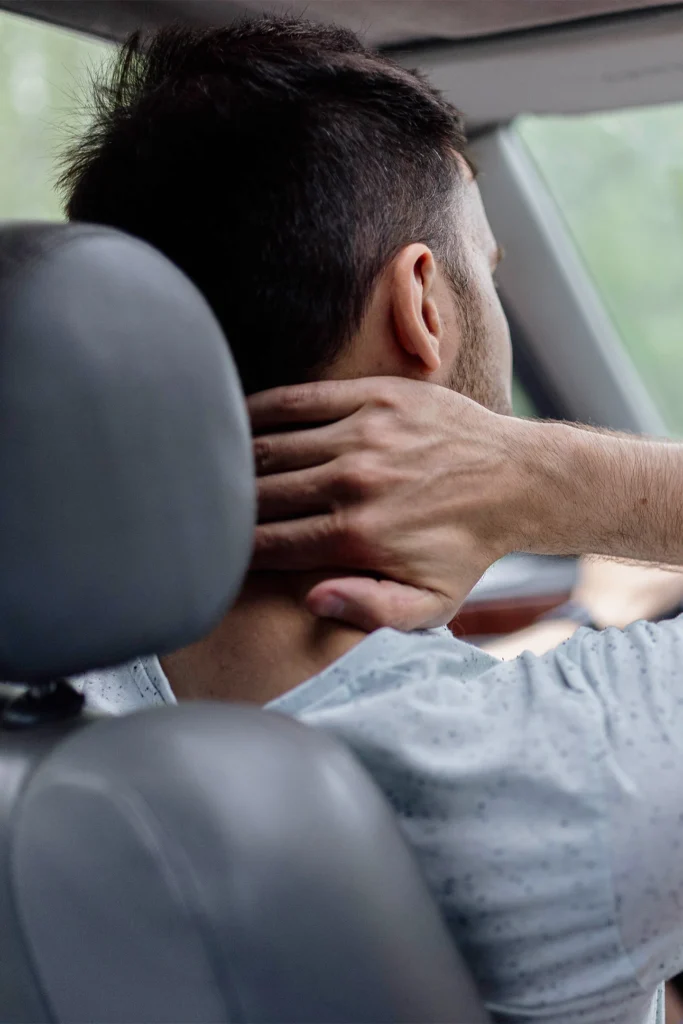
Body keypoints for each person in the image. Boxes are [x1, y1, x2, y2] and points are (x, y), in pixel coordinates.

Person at [62, 16, 683, 1024]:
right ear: (423, 308)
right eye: (486, 268)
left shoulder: (46, 711)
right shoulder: (572, 766)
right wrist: (553, 477)